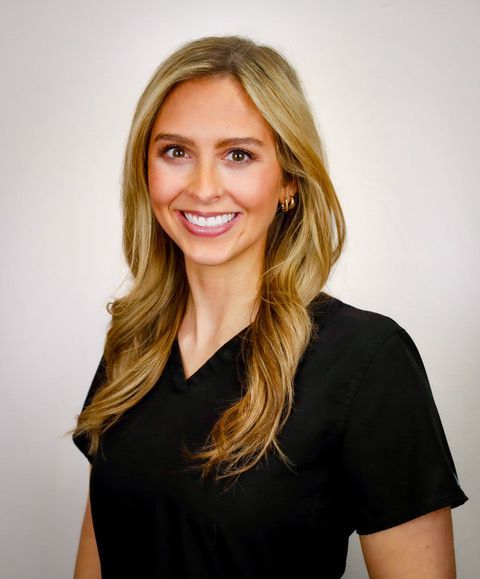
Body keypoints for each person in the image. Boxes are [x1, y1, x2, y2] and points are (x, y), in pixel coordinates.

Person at [69, 35, 469, 578]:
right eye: (176, 151)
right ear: (146, 170)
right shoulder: (132, 346)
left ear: (288, 181)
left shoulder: (367, 362)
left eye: (238, 155)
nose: (203, 187)